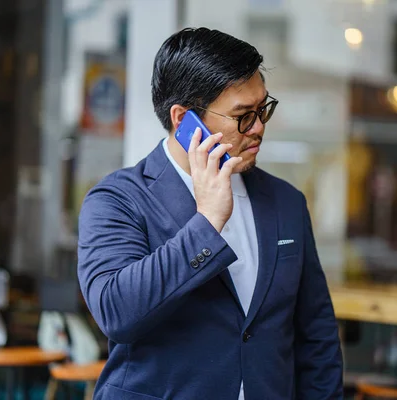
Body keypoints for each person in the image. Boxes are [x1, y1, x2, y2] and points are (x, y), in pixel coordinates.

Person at [77, 27, 343, 400]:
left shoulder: (286, 202)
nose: (259, 128)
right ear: (184, 120)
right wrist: (206, 223)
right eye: (243, 116)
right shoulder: (117, 199)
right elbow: (117, 313)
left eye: (263, 108)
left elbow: (316, 335)